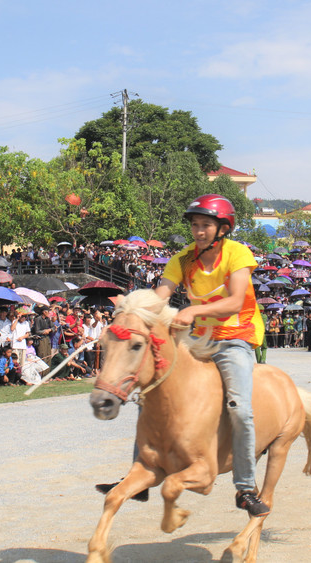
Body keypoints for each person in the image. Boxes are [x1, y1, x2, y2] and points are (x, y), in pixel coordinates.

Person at [97, 194, 270, 517]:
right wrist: (130, 307)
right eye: (195, 225)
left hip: (235, 339)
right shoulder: (182, 259)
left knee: (241, 409)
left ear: (222, 229)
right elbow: (161, 295)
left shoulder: (238, 253)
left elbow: (235, 302)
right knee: (149, 387)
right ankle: (142, 473)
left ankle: (245, 487)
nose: (199, 231)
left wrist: (191, 310)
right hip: (197, 338)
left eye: (206, 225)